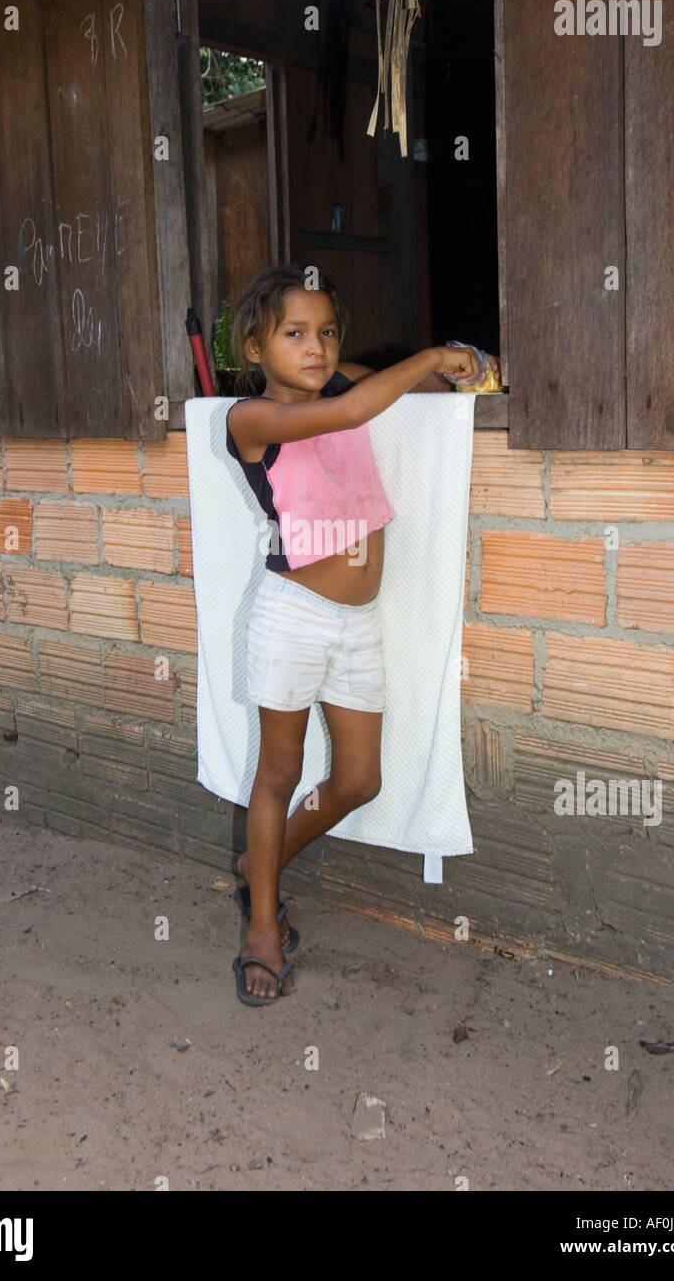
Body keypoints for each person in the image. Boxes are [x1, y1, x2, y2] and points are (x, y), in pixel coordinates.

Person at [225, 264, 498, 1005]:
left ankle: (259, 867)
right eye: (293, 334)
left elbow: (412, 392)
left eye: (327, 333)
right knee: (278, 772)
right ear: (254, 348)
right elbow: (354, 414)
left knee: (358, 780)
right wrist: (438, 354)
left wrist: (464, 375)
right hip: (291, 617)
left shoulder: (339, 384)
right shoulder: (250, 422)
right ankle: (260, 927)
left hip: (356, 622)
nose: (315, 348)